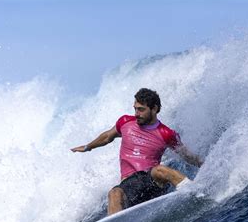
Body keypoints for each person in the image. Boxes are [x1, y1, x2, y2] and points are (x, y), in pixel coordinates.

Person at [71, 88, 203, 215]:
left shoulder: (166, 133)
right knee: (114, 193)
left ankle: (196, 192)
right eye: (135, 109)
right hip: (130, 185)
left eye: (141, 110)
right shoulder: (125, 122)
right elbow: (107, 137)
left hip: (152, 181)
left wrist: (206, 165)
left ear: (154, 109)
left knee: (160, 170)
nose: (136, 114)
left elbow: (186, 155)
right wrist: (88, 147)